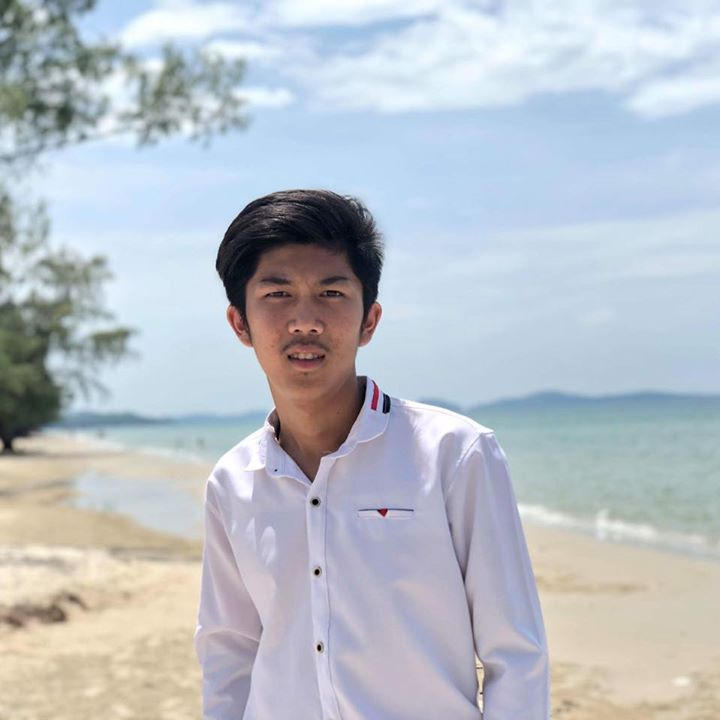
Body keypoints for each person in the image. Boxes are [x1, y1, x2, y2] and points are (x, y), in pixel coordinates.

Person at [193, 189, 550, 720]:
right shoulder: (233, 481)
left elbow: (515, 655)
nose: (305, 320)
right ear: (240, 323)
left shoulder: (455, 454)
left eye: (332, 293)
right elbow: (230, 653)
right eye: (278, 293)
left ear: (369, 320)